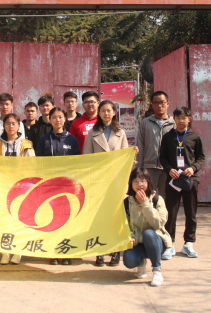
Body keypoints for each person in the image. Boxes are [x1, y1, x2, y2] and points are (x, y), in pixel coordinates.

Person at [83, 100, 129, 267]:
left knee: (115, 215)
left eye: (109, 110)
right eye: (103, 111)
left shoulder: (121, 132)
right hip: (99, 180)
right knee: (98, 216)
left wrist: (132, 154)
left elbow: (126, 157)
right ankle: (99, 251)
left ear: (114, 112)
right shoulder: (93, 132)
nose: (106, 113)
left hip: (116, 180)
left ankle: (115, 251)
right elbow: (87, 158)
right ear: (99, 113)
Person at [35, 107, 81, 265]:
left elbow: (77, 164)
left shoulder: (72, 140)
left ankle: (66, 251)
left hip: (67, 187)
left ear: (65, 119)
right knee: (50, 218)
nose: (57, 120)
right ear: (50, 120)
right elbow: (39, 164)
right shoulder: (44, 140)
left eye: (60, 117)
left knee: (66, 218)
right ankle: (51, 252)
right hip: (49, 186)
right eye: (54, 117)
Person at [159, 106, 205, 259]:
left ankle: (189, 243)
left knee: (191, 213)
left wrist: (193, 168)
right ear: (174, 119)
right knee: (171, 212)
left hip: (190, 179)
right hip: (173, 179)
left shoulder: (194, 137)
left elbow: (201, 157)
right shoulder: (168, 137)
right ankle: (169, 244)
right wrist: (169, 169)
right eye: (178, 118)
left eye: (184, 118)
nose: (180, 121)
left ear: (189, 119)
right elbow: (162, 157)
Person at [0, 113, 35, 265]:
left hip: (21, 187)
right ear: (3, 126)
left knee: (19, 219)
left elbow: (32, 166)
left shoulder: (27, 144)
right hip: (3, 187)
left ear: (18, 126)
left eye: (13, 124)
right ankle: (4, 251)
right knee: (3, 220)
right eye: (8, 124)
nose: (10, 126)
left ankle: (18, 251)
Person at [122, 168, 171, 287]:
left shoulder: (157, 199)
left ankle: (157, 270)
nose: (139, 184)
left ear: (148, 182)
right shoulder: (127, 202)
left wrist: (145, 204)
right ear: (131, 183)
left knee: (148, 233)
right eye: (136, 181)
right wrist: (131, 237)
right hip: (137, 242)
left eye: (143, 181)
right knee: (129, 261)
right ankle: (141, 262)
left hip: (156, 241)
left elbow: (158, 224)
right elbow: (124, 225)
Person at [136, 91, 175, 203]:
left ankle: (165, 215)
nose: (159, 105)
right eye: (156, 103)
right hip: (149, 167)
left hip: (168, 168)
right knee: (147, 198)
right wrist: (140, 168)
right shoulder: (145, 123)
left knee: (166, 199)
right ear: (152, 105)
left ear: (168, 104)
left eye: (162, 102)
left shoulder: (174, 123)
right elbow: (140, 146)